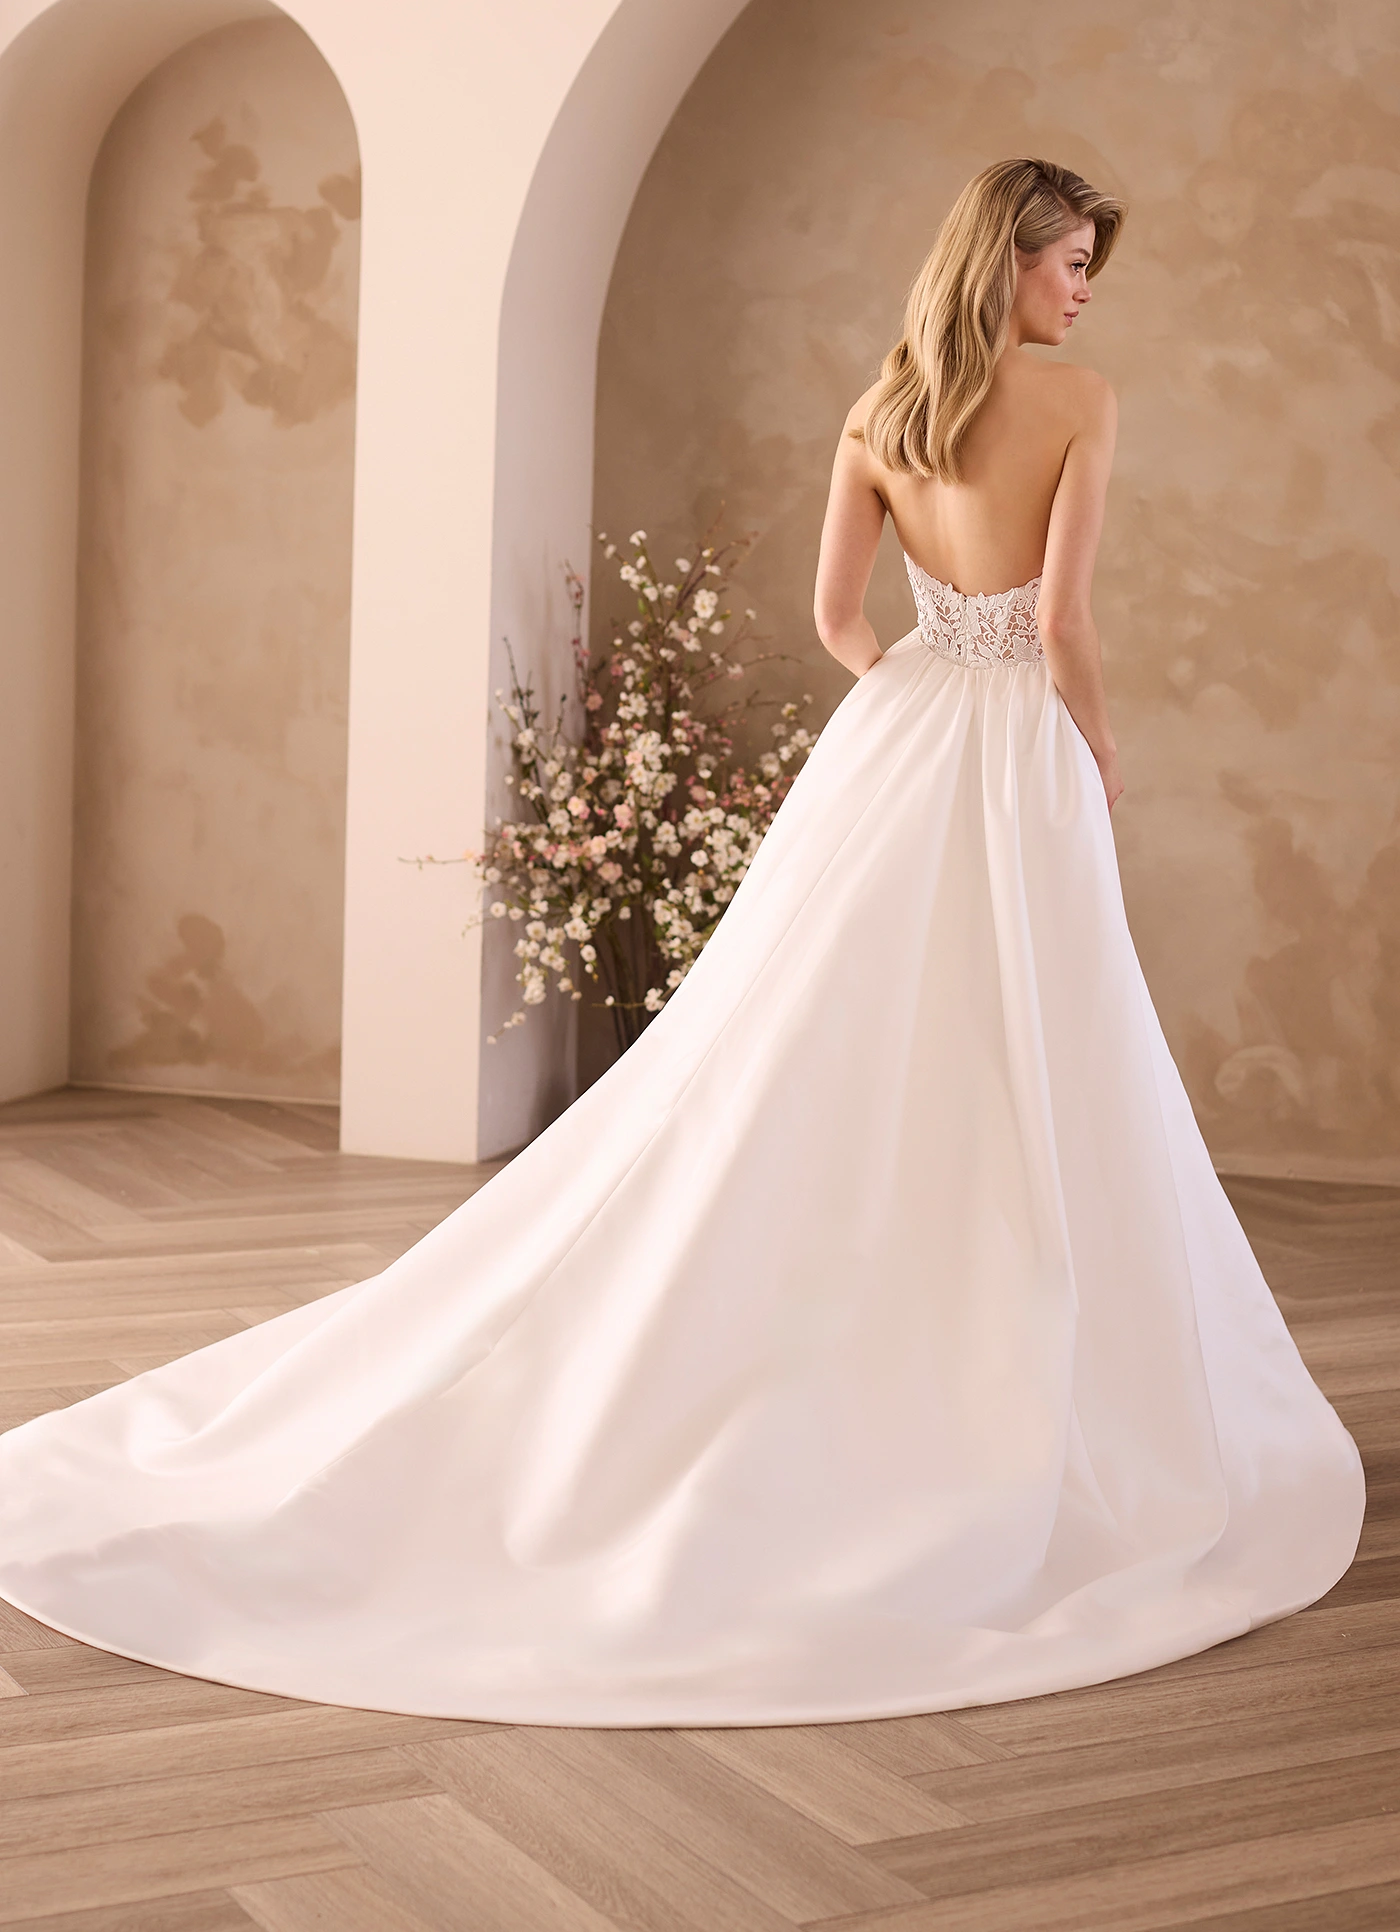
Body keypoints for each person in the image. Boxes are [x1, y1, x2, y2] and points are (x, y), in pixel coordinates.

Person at [0, 158, 1363, 1728]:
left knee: (818, 1038)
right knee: (1033, 1041)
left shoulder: (877, 412)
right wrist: (1092, 751)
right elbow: (1061, 628)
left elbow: (841, 620)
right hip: (1010, 752)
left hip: (899, 741)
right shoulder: (1081, 404)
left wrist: (916, 702)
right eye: (1069, 264)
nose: (1082, 293)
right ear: (1008, 261)